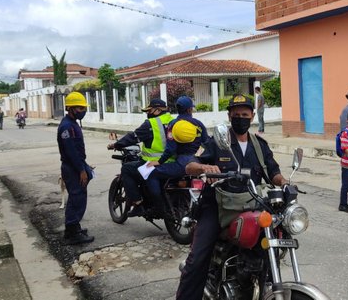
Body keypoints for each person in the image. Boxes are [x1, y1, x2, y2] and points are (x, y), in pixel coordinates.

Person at [176, 94, 288, 300]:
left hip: (250, 204)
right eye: (236, 114)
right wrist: (204, 167)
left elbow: (273, 172)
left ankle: (263, 284)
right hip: (216, 207)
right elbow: (190, 165)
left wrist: (285, 182)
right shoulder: (217, 141)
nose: (240, 118)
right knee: (198, 258)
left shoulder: (259, 145)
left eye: (245, 114)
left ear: (252, 116)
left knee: (272, 241)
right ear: (229, 116)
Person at [141, 96, 208, 217]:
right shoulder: (199, 124)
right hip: (195, 162)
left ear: (177, 109)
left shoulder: (173, 124)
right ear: (190, 110)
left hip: (180, 164)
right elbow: (207, 143)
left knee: (151, 174)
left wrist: (160, 161)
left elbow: (170, 149)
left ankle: (159, 207)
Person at [106, 99, 173, 216]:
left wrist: (116, 144)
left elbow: (133, 137)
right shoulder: (174, 121)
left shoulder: (151, 124)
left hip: (152, 164)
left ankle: (138, 204)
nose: (148, 113)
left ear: (157, 110)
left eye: (149, 110)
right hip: (173, 163)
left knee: (126, 169)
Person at [57, 92, 94, 245]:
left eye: (83, 108)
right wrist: (81, 170)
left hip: (77, 164)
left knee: (79, 196)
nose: (82, 111)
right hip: (72, 167)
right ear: (70, 108)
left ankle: (74, 227)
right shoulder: (67, 126)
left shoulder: (73, 123)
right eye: (79, 108)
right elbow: (71, 152)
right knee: (76, 198)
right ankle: (72, 233)